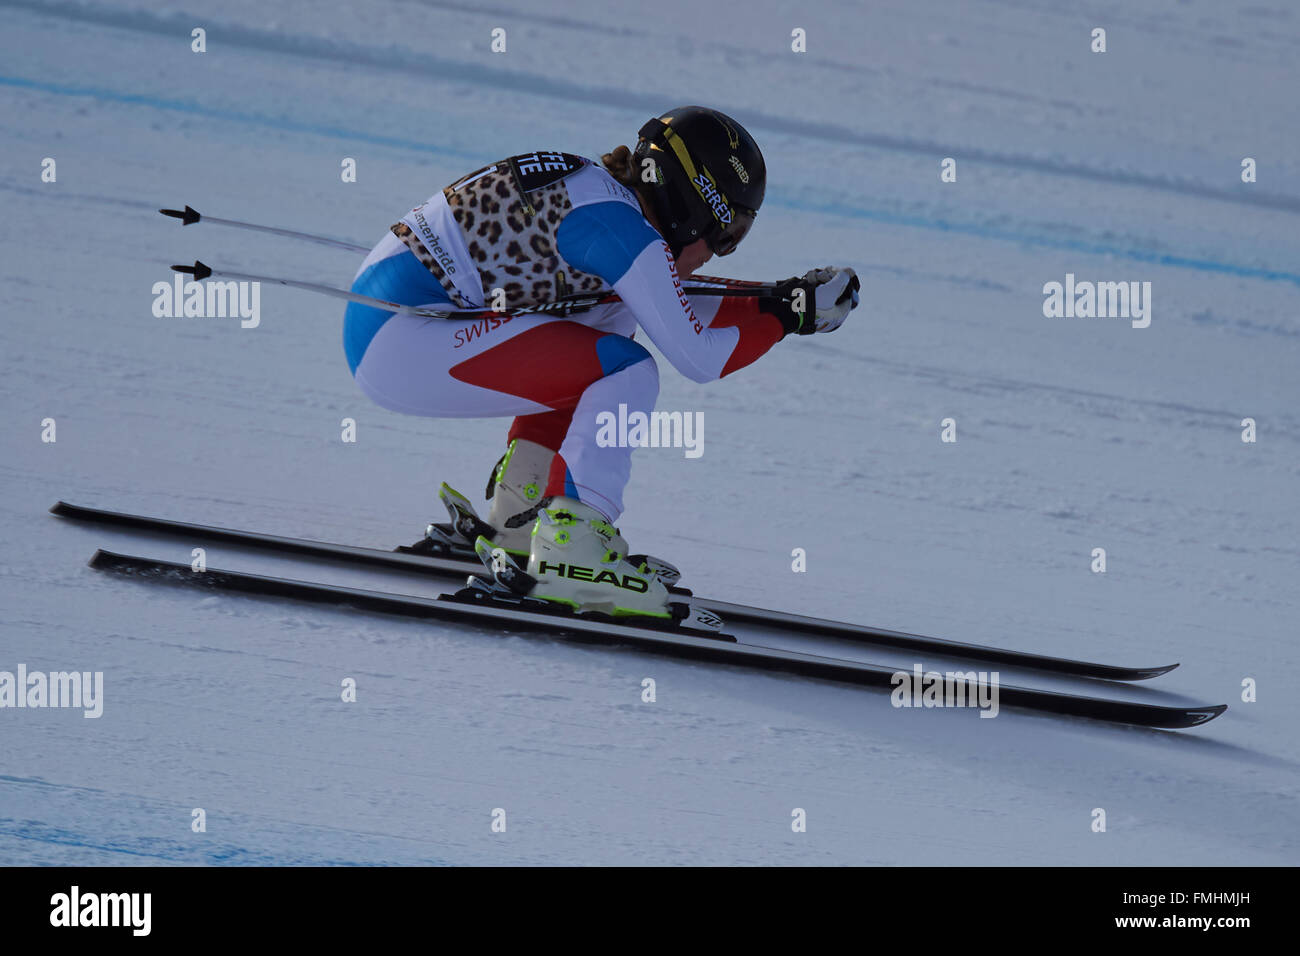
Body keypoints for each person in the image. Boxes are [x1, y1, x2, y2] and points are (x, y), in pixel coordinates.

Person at [342, 106, 860, 622]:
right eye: (726, 235)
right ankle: (572, 546)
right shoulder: (623, 230)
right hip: (401, 340)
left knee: (605, 327)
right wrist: (788, 317)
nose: (717, 253)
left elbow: (673, 301)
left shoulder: (603, 196)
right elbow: (697, 355)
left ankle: (522, 516)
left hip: (392, 328)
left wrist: (785, 304)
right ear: (694, 206)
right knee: (628, 369)